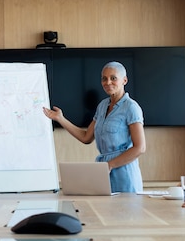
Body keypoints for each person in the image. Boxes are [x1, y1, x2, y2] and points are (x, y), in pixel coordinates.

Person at [43, 61, 146, 193]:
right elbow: (86, 137)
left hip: (124, 173)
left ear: (124, 80)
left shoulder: (131, 107)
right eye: (104, 79)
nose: (108, 82)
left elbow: (140, 148)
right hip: (102, 172)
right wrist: (60, 119)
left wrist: (110, 165)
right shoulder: (102, 106)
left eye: (113, 78)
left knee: (124, 212)